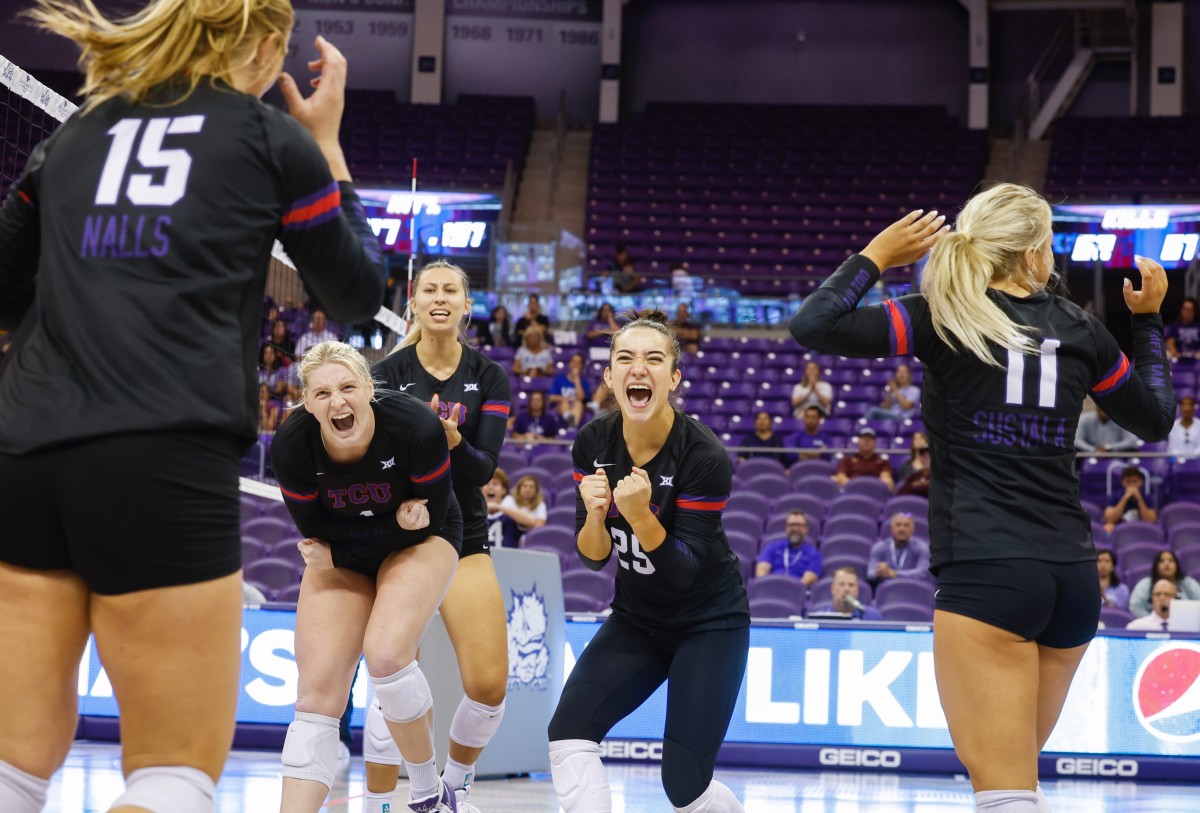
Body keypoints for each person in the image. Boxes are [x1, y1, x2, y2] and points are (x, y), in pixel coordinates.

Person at [0, 1, 386, 809]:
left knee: (13, 765)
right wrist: (325, 139)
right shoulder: (266, 136)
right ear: (270, 44)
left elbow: (3, 293)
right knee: (173, 773)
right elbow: (355, 291)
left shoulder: (73, 136)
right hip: (160, 454)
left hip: (24, 453)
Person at [789, 186, 1174, 813]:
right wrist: (1149, 321)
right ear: (1030, 256)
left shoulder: (942, 316)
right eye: (1049, 246)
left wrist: (876, 255)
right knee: (1018, 783)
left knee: (1003, 794)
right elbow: (1156, 419)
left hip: (988, 574)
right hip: (1072, 581)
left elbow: (815, 323)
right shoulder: (1083, 330)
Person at [548, 311, 750, 813]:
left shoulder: (704, 455)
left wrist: (639, 516)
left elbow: (683, 572)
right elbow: (593, 558)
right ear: (610, 377)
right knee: (567, 734)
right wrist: (597, 517)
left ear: (673, 379)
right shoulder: (592, 442)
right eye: (625, 359)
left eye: (654, 359)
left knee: (683, 785)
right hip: (638, 620)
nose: (639, 369)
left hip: (709, 625)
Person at [271, 342, 461, 813]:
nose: (337, 401)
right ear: (307, 402)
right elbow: (316, 534)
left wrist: (353, 543)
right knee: (315, 699)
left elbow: (430, 519)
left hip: (419, 541)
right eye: (322, 393)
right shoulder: (293, 446)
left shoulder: (416, 425)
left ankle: (428, 795)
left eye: (347, 387)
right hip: (358, 549)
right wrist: (392, 523)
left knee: (388, 655)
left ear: (369, 389)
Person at [369, 259, 513, 812]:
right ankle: (390, 799)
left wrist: (450, 440)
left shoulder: (490, 377)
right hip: (399, 538)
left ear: (465, 303)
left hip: (465, 533)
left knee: (489, 686)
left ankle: (453, 787)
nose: (440, 297)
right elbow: (375, 463)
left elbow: (480, 472)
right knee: (392, 672)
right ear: (414, 299)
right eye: (430, 288)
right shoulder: (385, 374)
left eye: (451, 289)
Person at [1128, 550, 1200, 617]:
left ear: (1177, 565)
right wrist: (1154, 621)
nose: (1166, 563)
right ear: (1156, 566)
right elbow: (1135, 606)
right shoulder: (1145, 585)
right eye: (1162, 561)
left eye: (1171, 561)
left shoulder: (1188, 583)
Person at [754, 511, 821, 584]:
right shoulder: (772, 547)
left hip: (796, 592)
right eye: (791, 525)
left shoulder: (814, 554)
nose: (795, 528)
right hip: (770, 589)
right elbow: (761, 572)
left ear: (806, 529)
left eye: (799, 525)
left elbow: (808, 579)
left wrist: (787, 589)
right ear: (786, 528)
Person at [869, 514, 931, 586]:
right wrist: (879, 572)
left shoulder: (922, 548)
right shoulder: (879, 547)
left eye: (906, 525)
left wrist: (895, 574)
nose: (902, 529)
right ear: (891, 529)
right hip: (887, 592)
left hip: (913, 590)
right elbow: (870, 573)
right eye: (898, 525)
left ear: (913, 529)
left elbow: (923, 573)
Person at [809, 567, 883, 620]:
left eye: (851, 585)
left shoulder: (873, 617)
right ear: (832, 589)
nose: (846, 589)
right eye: (842, 584)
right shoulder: (820, 618)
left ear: (857, 590)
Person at [832, 427, 893, 491]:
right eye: (864, 439)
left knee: (889, 481)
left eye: (870, 439)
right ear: (858, 442)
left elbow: (885, 476)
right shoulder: (848, 460)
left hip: (874, 490)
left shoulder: (882, 461)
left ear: (875, 443)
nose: (867, 441)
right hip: (852, 490)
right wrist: (853, 486)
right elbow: (841, 475)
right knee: (834, 479)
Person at [493, 474, 548, 545]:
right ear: (519, 488)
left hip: (531, 538)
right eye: (525, 486)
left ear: (536, 491)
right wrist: (527, 522)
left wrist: (517, 519)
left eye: (531, 487)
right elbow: (502, 518)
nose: (528, 489)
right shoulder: (509, 499)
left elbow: (539, 525)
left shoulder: (541, 504)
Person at [1101, 466, 1156, 532]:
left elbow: (1151, 520)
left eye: (1134, 481)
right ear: (1122, 482)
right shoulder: (1114, 496)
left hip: (1141, 529)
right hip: (1119, 529)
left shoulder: (1147, 497)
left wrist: (1139, 499)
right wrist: (1124, 498)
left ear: (1141, 482)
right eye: (1128, 482)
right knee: (1108, 526)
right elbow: (1110, 519)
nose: (1131, 485)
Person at [549, 352, 592, 428]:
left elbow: (581, 398)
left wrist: (576, 379)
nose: (575, 364)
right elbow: (552, 397)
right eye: (574, 361)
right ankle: (569, 418)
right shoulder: (560, 379)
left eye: (578, 363)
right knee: (564, 401)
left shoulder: (584, 382)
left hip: (576, 408)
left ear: (582, 366)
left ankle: (572, 426)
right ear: (569, 363)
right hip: (561, 407)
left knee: (579, 403)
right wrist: (568, 399)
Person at [483, 470, 523, 550]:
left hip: (508, 559)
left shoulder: (511, 513)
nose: (490, 487)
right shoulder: (473, 514)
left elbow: (534, 522)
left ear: (504, 490)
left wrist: (499, 507)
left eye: (495, 484)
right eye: (487, 483)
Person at [1074, 405, 1138, 454]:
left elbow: (1132, 441)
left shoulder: (1120, 419)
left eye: (1106, 410)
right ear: (1096, 409)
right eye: (1101, 410)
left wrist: (1109, 447)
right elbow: (1076, 440)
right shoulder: (1085, 419)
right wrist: (1093, 450)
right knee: (1073, 449)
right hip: (1090, 454)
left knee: (1132, 450)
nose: (1103, 413)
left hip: (1115, 453)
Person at [1165, 296, 1200, 360]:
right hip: (1178, 355)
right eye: (1185, 309)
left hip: (1197, 356)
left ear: (1194, 311)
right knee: (1166, 353)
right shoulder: (1175, 326)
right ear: (1181, 310)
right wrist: (1176, 353)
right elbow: (1170, 343)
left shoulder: (1198, 326)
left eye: (1190, 310)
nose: (1187, 312)